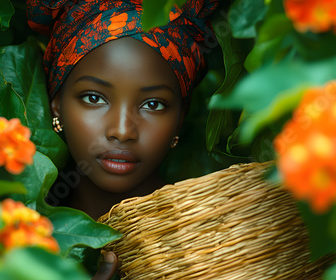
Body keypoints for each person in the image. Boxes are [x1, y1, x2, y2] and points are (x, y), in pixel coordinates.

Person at [26, 0, 218, 278]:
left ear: (180, 117)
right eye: (94, 98)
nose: (122, 130)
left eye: (153, 104)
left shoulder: (217, 240)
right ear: (57, 104)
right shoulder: (11, 236)